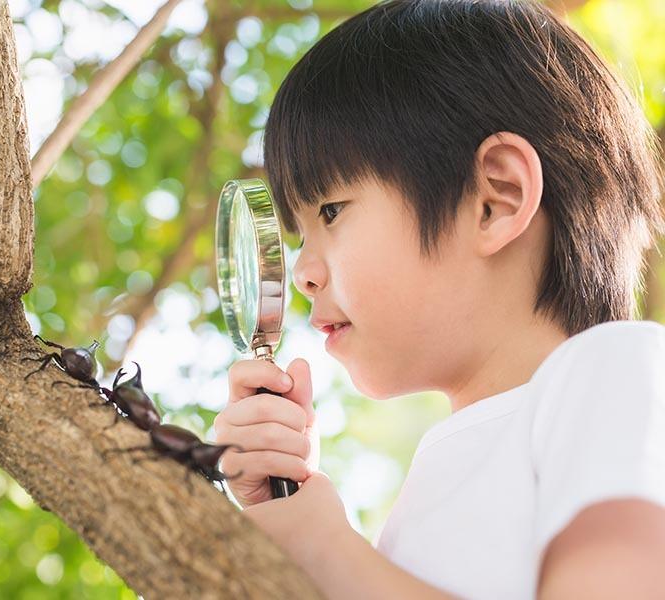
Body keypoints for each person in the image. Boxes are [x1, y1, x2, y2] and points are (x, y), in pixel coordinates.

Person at [213, 0, 665, 597]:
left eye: (331, 211)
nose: (302, 272)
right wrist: (289, 520)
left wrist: (326, 549)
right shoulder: (433, 486)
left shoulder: (619, 367)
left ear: (494, 199)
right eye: (298, 235)